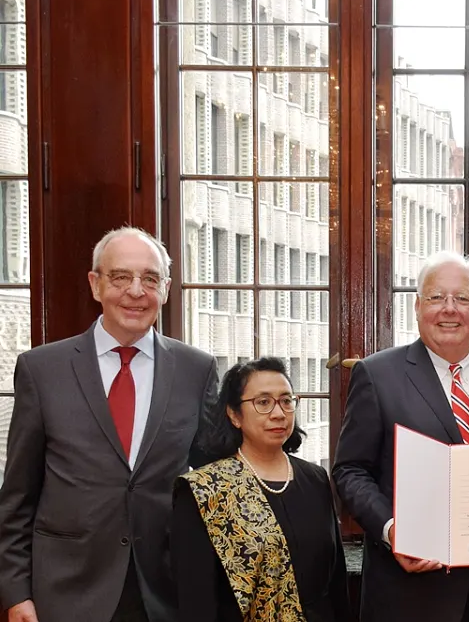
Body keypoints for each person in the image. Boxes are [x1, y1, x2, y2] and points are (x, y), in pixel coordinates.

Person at [0, 227, 219, 622]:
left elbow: (211, 481)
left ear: (166, 289)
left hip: (165, 595)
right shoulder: (41, 369)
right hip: (66, 595)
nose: (136, 291)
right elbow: (17, 496)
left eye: (150, 279)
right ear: (95, 284)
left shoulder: (196, 369)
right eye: (120, 277)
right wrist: (16, 593)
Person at [332, 250, 469, 622]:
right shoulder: (376, 375)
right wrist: (393, 531)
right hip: (410, 589)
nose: (449, 309)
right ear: (417, 306)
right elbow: (350, 471)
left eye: (463, 298)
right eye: (436, 297)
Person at [170, 357, 349, 621]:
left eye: (286, 401)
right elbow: (195, 598)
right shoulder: (205, 490)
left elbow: (336, 582)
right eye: (263, 402)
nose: (278, 413)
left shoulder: (315, 478)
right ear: (234, 414)